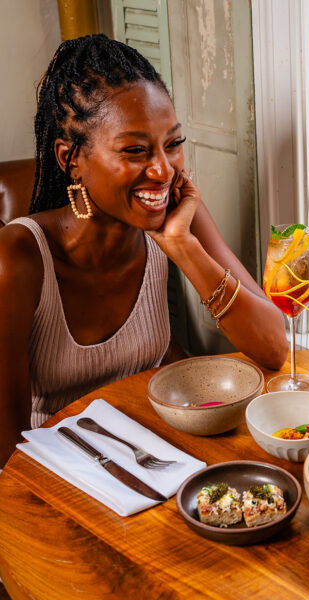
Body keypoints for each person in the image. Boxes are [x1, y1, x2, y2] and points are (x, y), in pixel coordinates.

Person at [0, 34, 288, 467]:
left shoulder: (176, 214)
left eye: (172, 144)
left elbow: (272, 348)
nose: (163, 170)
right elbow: (8, 453)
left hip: (159, 455)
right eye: (135, 150)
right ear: (70, 159)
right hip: (61, 472)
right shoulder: (17, 257)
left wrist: (182, 247)